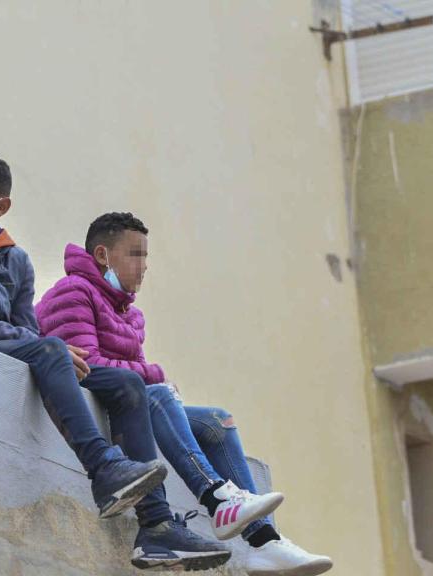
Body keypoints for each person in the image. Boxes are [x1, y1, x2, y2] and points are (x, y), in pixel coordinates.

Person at [0, 154, 228, 571]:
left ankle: (157, 527)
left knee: (128, 386)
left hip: (2, 357)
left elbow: (25, 331)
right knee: (53, 349)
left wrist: (43, 349)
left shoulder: (15, 261)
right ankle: (104, 468)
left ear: (1, 207)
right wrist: (44, 348)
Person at [35, 212, 334, 576]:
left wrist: (151, 381)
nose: (144, 266)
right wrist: (155, 375)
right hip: (88, 404)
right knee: (159, 393)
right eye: (135, 254)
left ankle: (266, 543)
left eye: (146, 256)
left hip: (128, 404)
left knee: (216, 421)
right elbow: (88, 366)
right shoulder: (73, 292)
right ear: (102, 255)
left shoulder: (130, 313)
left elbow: (132, 377)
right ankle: (216, 496)